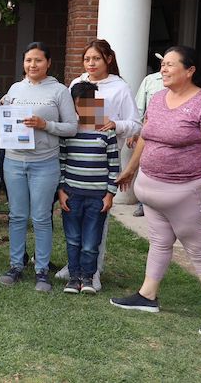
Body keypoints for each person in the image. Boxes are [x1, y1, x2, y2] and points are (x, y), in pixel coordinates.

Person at [111, 46, 201, 339]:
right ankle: (147, 295)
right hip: (151, 189)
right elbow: (146, 138)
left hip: (188, 193)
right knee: (159, 243)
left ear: (190, 71)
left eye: (170, 65)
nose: (163, 69)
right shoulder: (159, 99)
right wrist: (131, 169)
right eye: (162, 64)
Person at [58, 39, 141, 290]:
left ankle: (94, 271)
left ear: (108, 59)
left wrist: (116, 125)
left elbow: (136, 123)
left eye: (96, 58)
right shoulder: (76, 84)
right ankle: (73, 269)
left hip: (104, 154)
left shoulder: (120, 88)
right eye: (87, 59)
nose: (91, 63)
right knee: (75, 226)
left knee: (96, 223)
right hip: (76, 158)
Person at [0, 42, 78, 292]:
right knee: (17, 216)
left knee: (41, 217)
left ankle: (42, 271)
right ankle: (16, 265)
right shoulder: (15, 88)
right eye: (28, 60)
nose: (32, 65)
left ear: (49, 63)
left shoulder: (60, 91)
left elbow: (72, 127)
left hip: (44, 163)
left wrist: (46, 124)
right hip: (13, 161)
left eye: (38, 60)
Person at [58, 81, 119, 295]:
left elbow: (114, 165)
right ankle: (73, 277)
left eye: (93, 102)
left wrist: (110, 194)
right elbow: (62, 162)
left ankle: (88, 277)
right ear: (73, 105)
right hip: (72, 194)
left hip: (97, 197)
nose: (88, 107)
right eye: (82, 103)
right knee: (73, 239)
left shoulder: (106, 131)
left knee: (91, 242)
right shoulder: (69, 131)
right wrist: (61, 190)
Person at [128, 64, 164, 217]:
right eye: (164, 63)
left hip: (172, 137)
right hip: (149, 134)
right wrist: (134, 131)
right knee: (146, 167)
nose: (166, 68)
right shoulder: (150, 80)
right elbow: (139, 108)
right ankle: (143, 204)